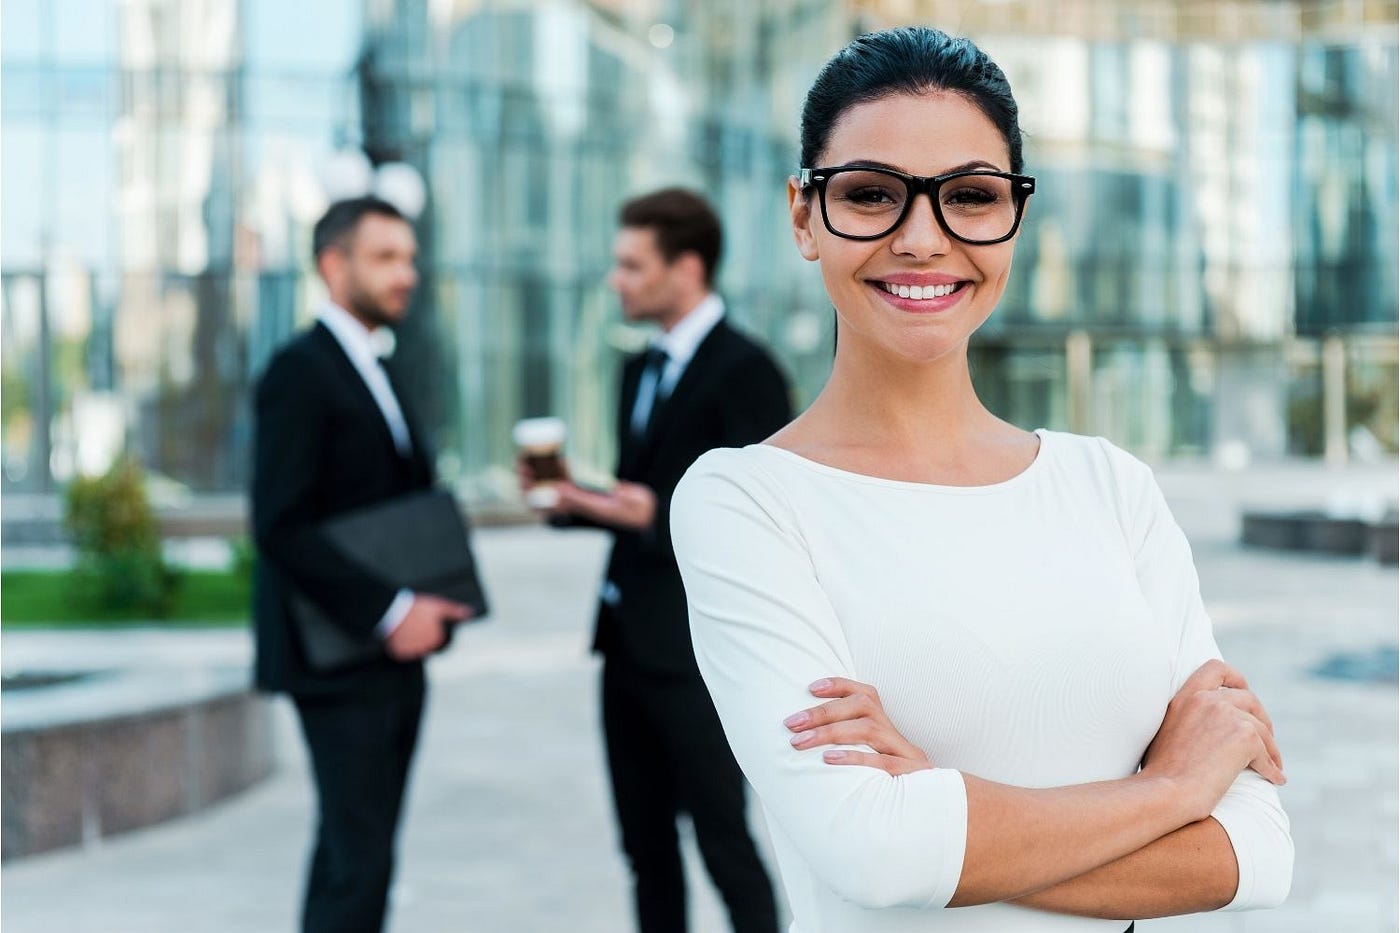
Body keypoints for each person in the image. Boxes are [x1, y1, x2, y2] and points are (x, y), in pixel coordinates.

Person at [670, 27, 1293, 933]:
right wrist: (1175, 787)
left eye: (969, 196)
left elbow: (1258, 853)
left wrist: (937, 802)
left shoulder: (1111, 487)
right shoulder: (747, 503)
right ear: (804, 216)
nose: (922, 239)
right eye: (872, 194)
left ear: (1015, 220)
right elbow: (874, 853)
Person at [527, 188, 789, 932]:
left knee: (724, 840)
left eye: (631, 264)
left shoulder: (748, 371)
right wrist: (576, 500)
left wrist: (649, 509)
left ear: (687, 267)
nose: (617, 280)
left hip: (698, 653)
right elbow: (640, 504)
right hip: (624, 646)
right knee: (644, 849)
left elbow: (760, 517)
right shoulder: (636, 370)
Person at [251, 197, 470, 933]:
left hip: (391, 655)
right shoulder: (298, 371)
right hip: (339, 654)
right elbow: (279, 524)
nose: (405, 273)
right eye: (384, 257)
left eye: (409, 256)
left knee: (360, 854)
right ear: (332, 265)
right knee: (358, 859)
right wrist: (389, 609)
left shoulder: (380, 364)